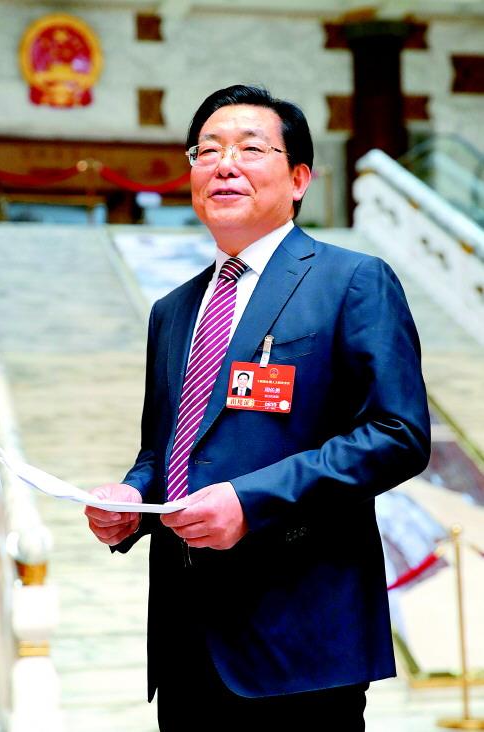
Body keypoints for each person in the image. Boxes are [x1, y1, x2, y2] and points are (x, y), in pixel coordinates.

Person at [85, 84, 430, 731]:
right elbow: (164, 449)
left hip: (299, 640)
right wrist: (131, 497)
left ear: (299, 178)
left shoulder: (351, 281)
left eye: (249, 149)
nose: (224, 165)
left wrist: (251, 501)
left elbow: (397, 433)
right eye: (207, 150)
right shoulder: (171, 310)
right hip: (186, 640)